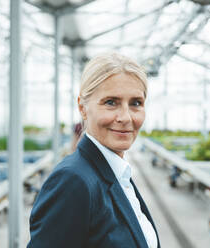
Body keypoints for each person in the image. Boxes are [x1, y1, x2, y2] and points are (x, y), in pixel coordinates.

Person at [27, 52, 161, 248]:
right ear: (82, 107)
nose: (125, 117)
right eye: (111, 102)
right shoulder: (73, 181)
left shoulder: (117, 174)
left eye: (136, 103)